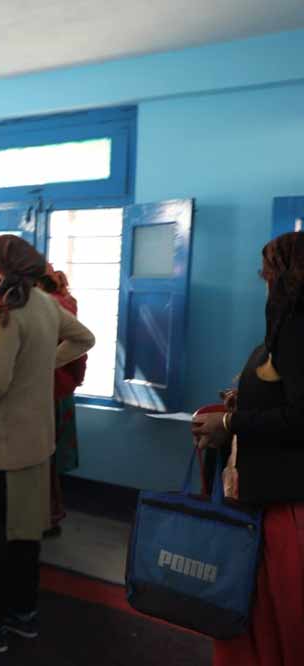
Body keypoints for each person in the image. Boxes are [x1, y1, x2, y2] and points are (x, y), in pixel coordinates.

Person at [0, 235, 94, 654]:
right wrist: (42, 364)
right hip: (35, 441)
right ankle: (23, 613)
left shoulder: (7, 316)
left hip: (0, 445)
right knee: (26, 534)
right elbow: (84, 338)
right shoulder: (46, 304)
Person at [192, 231, 304, 666]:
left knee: (274, 618)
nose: (263, 280)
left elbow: (299, 417)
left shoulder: (296, 326)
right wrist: (244, 402)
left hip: (284, 505)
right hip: (279, 496)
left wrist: (229, 423)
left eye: (268, 272)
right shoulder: (288, 324)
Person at [38, 265, 87, 535]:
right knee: (49, 460)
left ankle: (46, 518)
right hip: (61, 388)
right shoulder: (64, 301)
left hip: (47, 389)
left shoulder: (45, 306)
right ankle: (50, 517)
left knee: (42, 459)